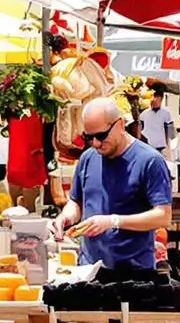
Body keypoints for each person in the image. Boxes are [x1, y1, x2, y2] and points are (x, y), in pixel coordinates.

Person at [58, 98, 172, 268]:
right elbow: (76, 202)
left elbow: (163, 216)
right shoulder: (87, 158)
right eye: (89, 137)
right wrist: (65, 217)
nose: (96, 143)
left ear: (120, 125)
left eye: (101, 136)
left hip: (133, 273)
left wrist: (114, 221)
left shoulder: (149, 161)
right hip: (89, 269)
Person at [138, 87, 175, 155]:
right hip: (148, 146)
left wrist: (169, 145)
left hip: (161, 146)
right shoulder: (144, 114)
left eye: (157, 98)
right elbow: (139, 129)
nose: (154, 100)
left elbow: (170, 130)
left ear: (161, 100)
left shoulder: (165, 113)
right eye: (153, 98)